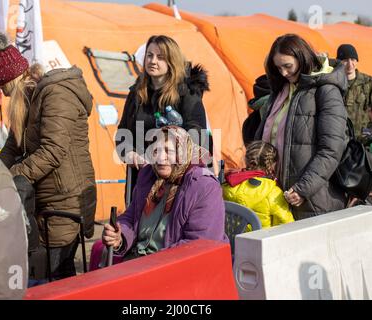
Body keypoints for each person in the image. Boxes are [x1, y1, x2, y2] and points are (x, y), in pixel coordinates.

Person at [0, 30, 97, 280]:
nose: (3, 93)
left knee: (59, 276)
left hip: (67, 198)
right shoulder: (28, 99)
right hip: (46, 199)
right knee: (46, 273)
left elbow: (53, 150)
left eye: (3, 86)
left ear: (13, 78)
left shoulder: (56, 94)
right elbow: (12, 148)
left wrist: (12, 175)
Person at [255, 34, 348, 220]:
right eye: (278, 68)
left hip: (312, 200)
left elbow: (331, 149)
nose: (283, 73)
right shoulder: (281, 91)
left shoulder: (326, 90)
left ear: (302, 58)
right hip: (278, 196)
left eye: (287, 66)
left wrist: (303, 189)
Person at [102, 126, 227, 263]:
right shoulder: (149, 176)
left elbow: (200, 245)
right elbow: (131, 217)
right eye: (156, 150)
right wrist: (120, 237)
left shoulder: (203, 186)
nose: (161, 158)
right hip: (139, 261)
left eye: (168, 151)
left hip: (175, 267)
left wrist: (151, 262)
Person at [115, 35, 211, 202]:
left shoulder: (187, 92)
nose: (153, 61)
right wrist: (129, 152)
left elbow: (197, 135)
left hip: (176, 182)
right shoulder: (136, 93)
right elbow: (122, 133)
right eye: (149, 55)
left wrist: (168, 156)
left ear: (171, 61)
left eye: (160, 57)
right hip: (141, 179)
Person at [223, 140, 294, 229]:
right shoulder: (273, 192)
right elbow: (286, 225)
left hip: (234, 241)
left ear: (246, 159)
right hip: (262, 241)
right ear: (273, 165)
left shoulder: (228, 184)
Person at [336, 44, 372, 144]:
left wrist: (370, 132)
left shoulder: (368, 84)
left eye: (353, 59)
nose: (350, 64)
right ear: (339, 62)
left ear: (357, 61)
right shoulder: (332, 84)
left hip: (361, 145)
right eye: (345, 60)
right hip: (337, 143)